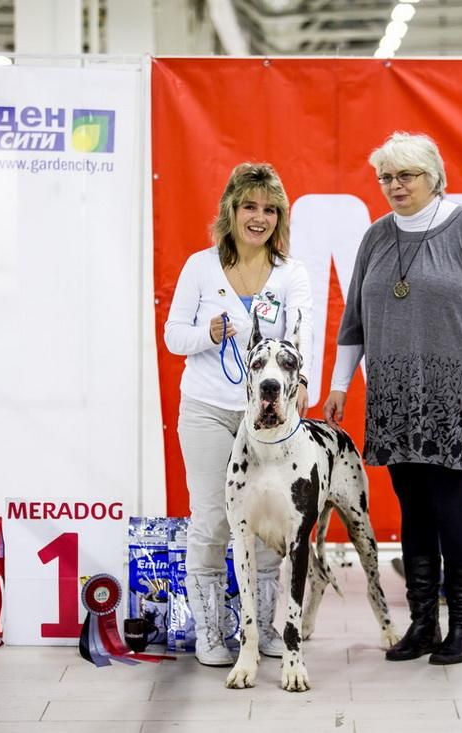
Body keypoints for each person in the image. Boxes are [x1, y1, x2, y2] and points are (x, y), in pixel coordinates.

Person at [323, 132, 462, 666]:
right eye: (386, 177)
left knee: (450, 505)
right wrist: (340, 384)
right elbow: (354, 322)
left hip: (454, 394)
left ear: (433, 176)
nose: (394, 185)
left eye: (405, 175)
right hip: (392, 395)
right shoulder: (375, 236)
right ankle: (423, 624)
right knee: (412, 508)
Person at [164, 162, 313, 666]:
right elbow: (173, 336)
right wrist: (206, 334)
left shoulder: (291, 273)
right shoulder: (200, 266)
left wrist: (302, 384)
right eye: (250, 206)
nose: (259, 218)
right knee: (211, 520)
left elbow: (303, 334)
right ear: (231, 209)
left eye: (270, 209)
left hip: (270, 421)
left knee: (270, 525)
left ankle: (264, 629)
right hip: (207, 410)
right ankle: (210, 632)